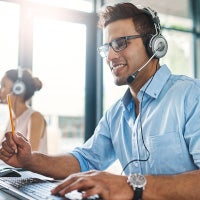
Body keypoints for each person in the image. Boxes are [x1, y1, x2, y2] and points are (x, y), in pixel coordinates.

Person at [0, 2, 200, 200]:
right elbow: (84, 160)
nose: (111, 56)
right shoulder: (117, 113)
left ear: (154, 45)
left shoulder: (191, 96)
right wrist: (30, 160)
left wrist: (130, 185)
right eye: (107, 47)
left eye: (121, 43)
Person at [0, 68, 48, 154]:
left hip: (29, 168)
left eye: (3, 86)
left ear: (17, 89)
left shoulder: (35, 117)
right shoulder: (13, 119)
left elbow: (29, 156)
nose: (0, 90)